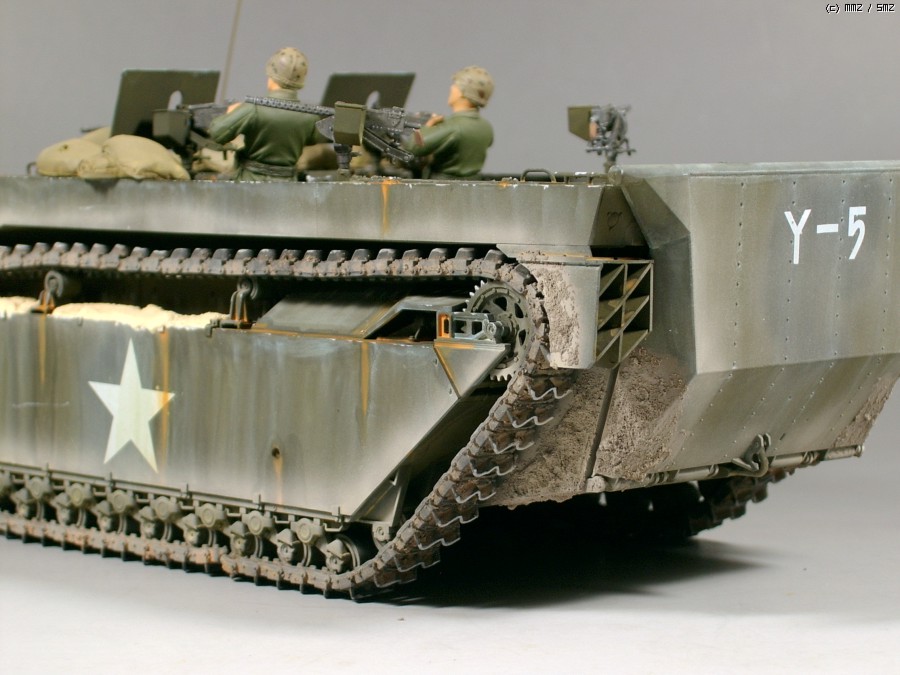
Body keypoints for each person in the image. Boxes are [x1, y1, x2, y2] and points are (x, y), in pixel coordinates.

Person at [208, 47, 326, 181]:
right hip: (288, 184)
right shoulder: (310, 116)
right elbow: (313, 139)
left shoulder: (253, 109)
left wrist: (231, 112)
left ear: (272, 77)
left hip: (250, 183)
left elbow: (217, 133)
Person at [404, 66, 494, 179]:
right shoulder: (486, 127)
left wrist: (427, 126)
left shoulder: (453, 127)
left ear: (462, 93)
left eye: (455, 85)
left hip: (443, 186)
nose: (452, 88)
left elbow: (414, 147)